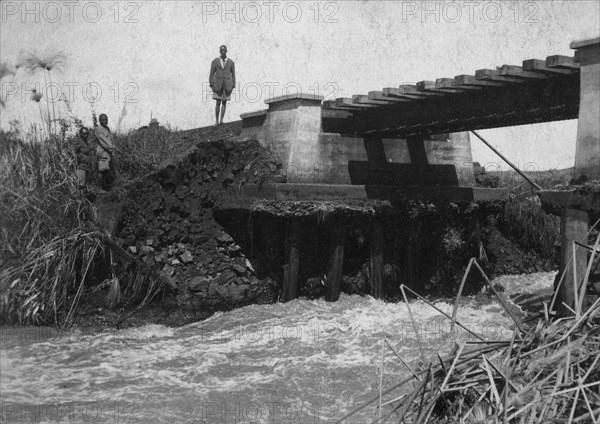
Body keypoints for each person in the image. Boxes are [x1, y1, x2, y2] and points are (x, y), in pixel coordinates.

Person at [209, 45, 236, 126]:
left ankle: (221, 120)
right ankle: (216, 121)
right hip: (217, 85)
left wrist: (233, 84)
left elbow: (233, 74)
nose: (223, 52)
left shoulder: (231, 62)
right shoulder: (215, 61)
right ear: (220, 52)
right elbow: (211, 74)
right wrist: (212, 84)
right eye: (221, 51)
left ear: (226, 52)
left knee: (224, 102)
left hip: (227, 85)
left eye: (224, 51)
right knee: (218, 102)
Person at [94, 113, 117, 190]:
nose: (105, 121)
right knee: (102, 170)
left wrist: (112, 149)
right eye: (103, 119)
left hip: (108, 153)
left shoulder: (107, 128)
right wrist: (113, 147)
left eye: (106, 119)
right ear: (99, 120)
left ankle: (107, 187)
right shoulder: (98, 129)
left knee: (108, 170)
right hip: (102, 152)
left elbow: (110, 140)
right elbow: (104, 141)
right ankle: (100, 188)